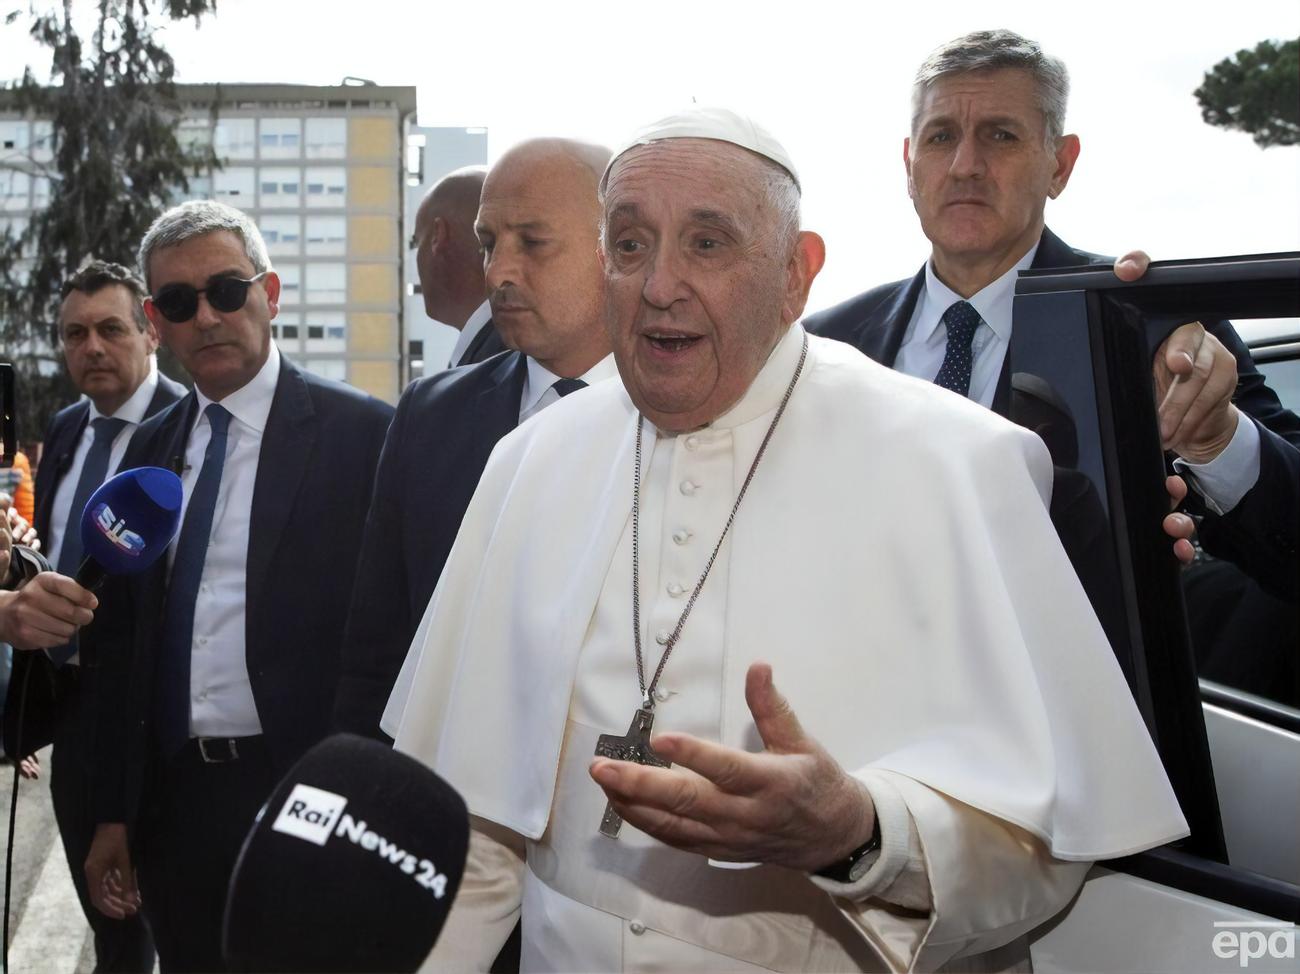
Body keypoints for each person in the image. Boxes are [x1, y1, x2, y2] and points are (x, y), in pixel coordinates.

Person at [384, 107, 1186, 972]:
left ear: (797, 275)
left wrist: (859, 834)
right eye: (630, 245)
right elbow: (477, 833)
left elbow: (1043, 842)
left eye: (707, 243)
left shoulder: (956, 462)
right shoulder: (531, 461)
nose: (659, 284)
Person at [804, 29, 1299, 600]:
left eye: (1000, 135)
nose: (965, 165)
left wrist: (1216, 441)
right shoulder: (824, 345)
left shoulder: (1150, 326)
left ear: (1060, 165)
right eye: (941, 137)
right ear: (909, 164)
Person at [81, 200, 394, 973]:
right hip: (175, 806)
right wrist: (114, 813)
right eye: (179, 302)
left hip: (309, 793)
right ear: (156, 321)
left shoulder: (365, 436)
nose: (207, 317)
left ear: (270, 293)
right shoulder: (146, 453)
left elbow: (396, 640)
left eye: (226, 290)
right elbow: (122, 650)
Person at [334, 138, 615, 742]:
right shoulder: (429, 418)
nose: (498, 272)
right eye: (488, 243)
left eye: (532, 243)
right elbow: (377, 649)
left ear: (618, 249)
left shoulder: (686, 417)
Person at [4, 258, 186, 971]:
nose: (92, 348)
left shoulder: (189, 429)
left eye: (111, 329)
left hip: (153, 723)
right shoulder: (66, 428)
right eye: (74, 334)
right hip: (71, 711)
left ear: (150, 331)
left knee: (162, 923)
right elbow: (55, 564)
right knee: (109, 929)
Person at [411, 166, 507, 367]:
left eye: (417, 242)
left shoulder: (499, 364)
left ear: (438, 235)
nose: (417, 256)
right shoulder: (525, 345)